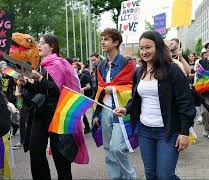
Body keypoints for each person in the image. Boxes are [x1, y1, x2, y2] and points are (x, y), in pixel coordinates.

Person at [114, 31, 195, 180]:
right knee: (151, 175)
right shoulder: (139, 71)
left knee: (165, 175)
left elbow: (186, 103)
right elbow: (137, 99)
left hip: (168, 131)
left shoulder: (172, 69)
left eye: (148, 47)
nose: (144, 52)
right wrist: (126, 108)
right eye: (141, 48)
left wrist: (184, 133)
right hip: (145, 131)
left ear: (157, 47)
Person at [20, 34, 88, 180]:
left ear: (52, 46)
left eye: (42, 43)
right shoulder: (40, 65)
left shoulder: (60, 64)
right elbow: (38, 91)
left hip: (58, 115)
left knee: (61, 158)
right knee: (36, 153)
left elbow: (58, 90)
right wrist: (25, 83)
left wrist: (39, 78)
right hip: (39, 114)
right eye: (38, 42)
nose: (38, 45)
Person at [92, 28, 136, 179]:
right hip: (104, 110)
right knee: (108, 149)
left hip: (120, 109)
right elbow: (98, 89)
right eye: (102, 39)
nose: (102, 42)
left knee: (117, 148)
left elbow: (132, 88)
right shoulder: (101, 65)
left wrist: (115, 88)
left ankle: (130, 176)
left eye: (106, 39)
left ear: (116, 42)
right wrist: (96, 113)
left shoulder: (127, 63)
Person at [72, 62, 92, 134]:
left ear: (78, 68)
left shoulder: (84, 76)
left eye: (75, 67)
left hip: (83, 96)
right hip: (75, 96)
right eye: (72, 67)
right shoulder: (72, 77)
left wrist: (81, 89)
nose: (73, 69)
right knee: (78, 113)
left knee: (81, 112)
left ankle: (87, 127)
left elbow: (88, 86)